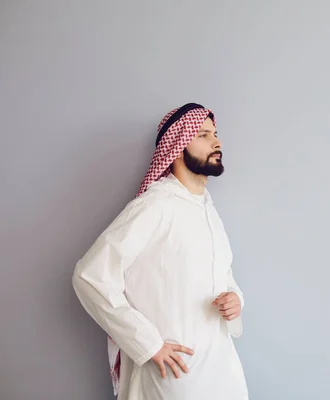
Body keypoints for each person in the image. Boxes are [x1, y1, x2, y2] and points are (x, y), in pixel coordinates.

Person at [72, 103, 248, 400]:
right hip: (173, 380)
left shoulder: (208, 210)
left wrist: (235, 299)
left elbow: (222, 275)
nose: (217, 142)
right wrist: (148, 345)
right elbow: (89, 277)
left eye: (215, 134)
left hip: (221, 373)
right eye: (203, 135)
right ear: (177, 146)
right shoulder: (156, 205)